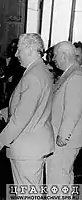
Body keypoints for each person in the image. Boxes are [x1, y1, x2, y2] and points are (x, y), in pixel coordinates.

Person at [0, 33, 54, 185]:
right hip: (34, 144)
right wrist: (1, 113)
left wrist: (1, 140)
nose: (16, 54)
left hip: (27, 146)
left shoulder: (33, 76)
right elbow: (31, 106)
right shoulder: (40, 71)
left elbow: (22, 116)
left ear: (30, 49)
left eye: (18, 50)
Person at [46, 41, 82, 185]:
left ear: (64, 55)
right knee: (63, 176)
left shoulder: (76, 76)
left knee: (57, 178)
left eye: (55, 56)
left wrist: (63, 135)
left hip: (65, 138)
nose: (53, 59)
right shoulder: (70, 73)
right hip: (62, 134)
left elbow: (73, 109)